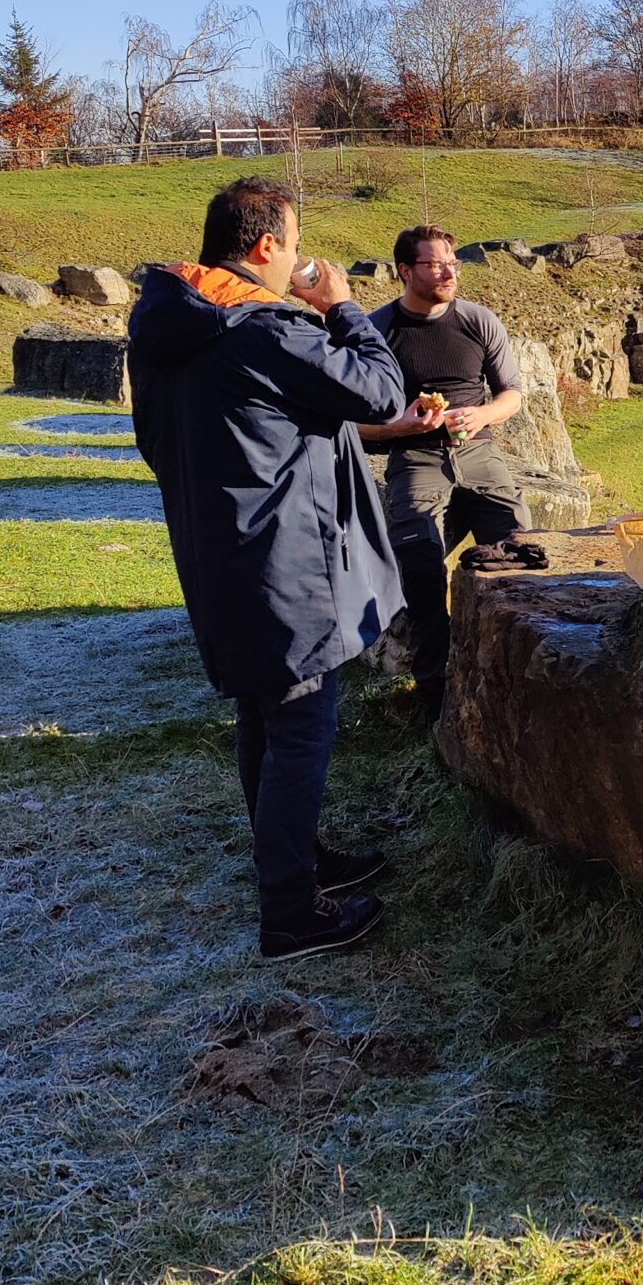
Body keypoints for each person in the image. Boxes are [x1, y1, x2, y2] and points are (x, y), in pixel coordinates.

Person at [130, 177, 409, 962]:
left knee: (262, 714)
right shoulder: (262, 329)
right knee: (300, 722)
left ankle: (295, 858)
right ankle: (290, 910)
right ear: (264, 247)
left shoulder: (166, 325)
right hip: (283, 562)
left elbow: (155, 443)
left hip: (218, 554)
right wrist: (345, 306)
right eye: (292, 243)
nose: (295, 260)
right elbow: (380, 390)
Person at [358, 224, 529, 720]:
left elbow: (511, 394)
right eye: (434, 264)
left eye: (451, 262)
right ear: (405, 271)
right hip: (413, 459)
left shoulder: (478, 320)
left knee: (521, 553)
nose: (448, 271)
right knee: (420, 571)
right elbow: (351, 423)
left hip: (480, 452)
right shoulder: (376, 331)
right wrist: (400, 426)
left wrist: (481, 415)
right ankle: (435, 693)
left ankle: (513, 679)